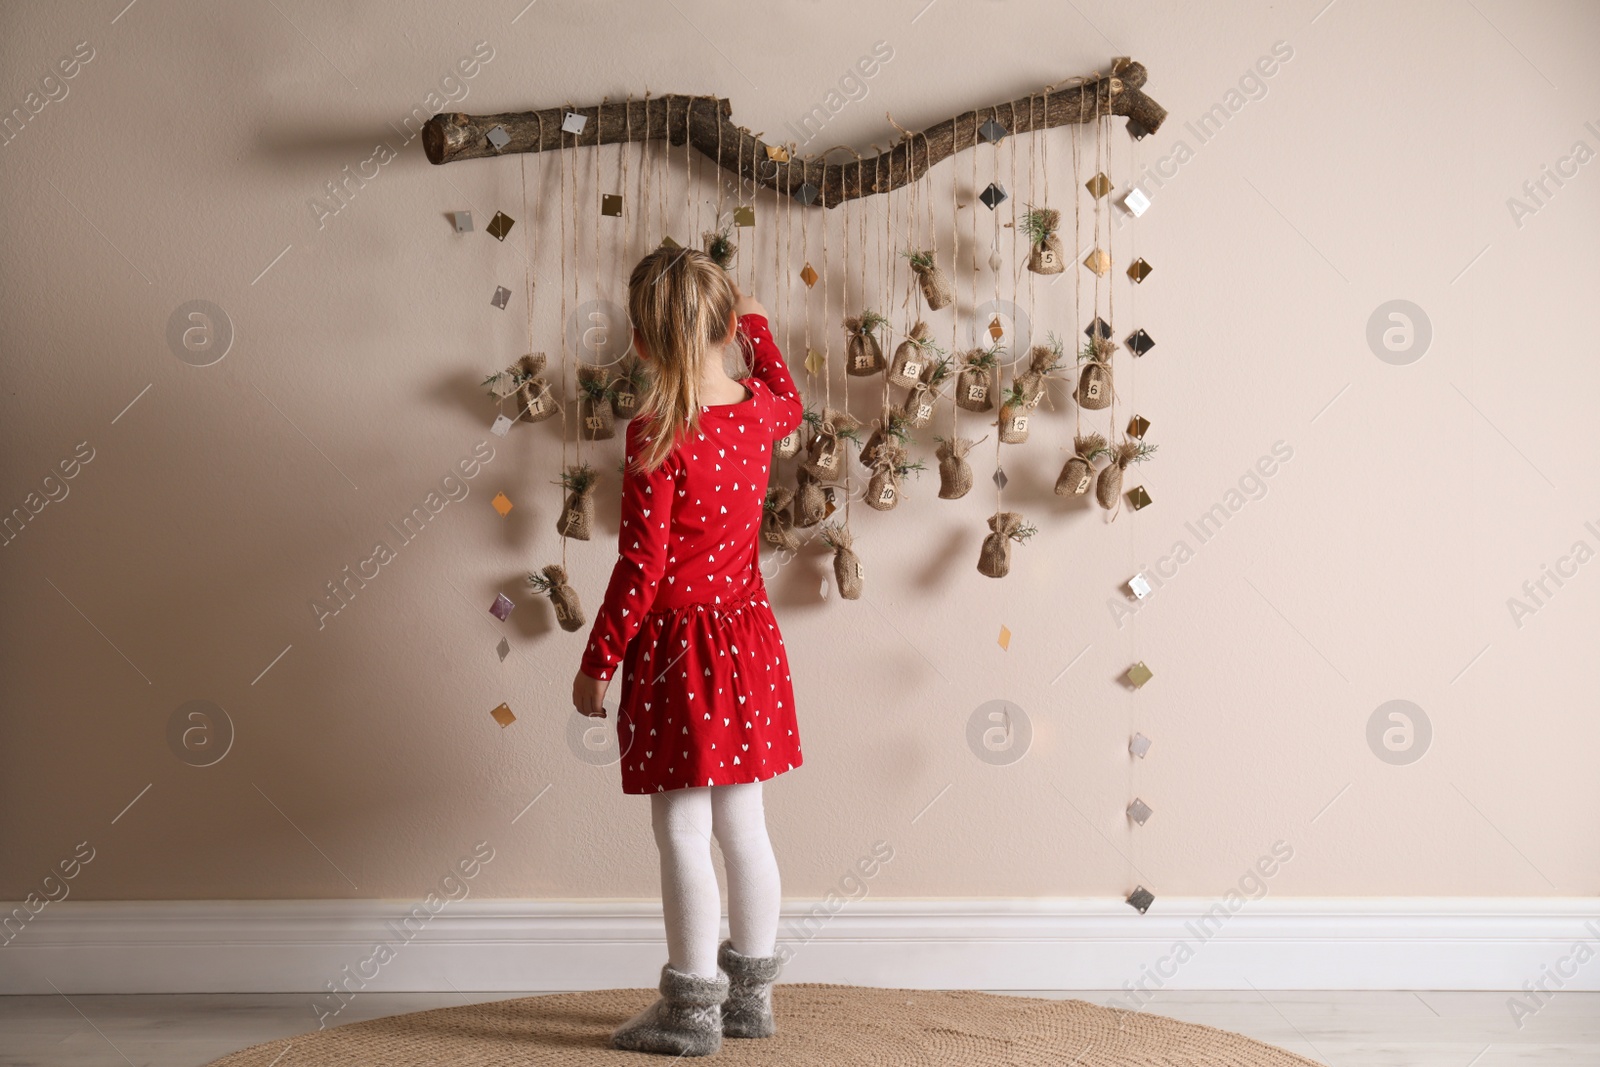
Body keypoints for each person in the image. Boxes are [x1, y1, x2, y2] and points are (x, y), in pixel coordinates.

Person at [570, 246, 805, 1057]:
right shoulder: (759, 412)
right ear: (725, 325)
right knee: (745, 823)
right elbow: (791, 395)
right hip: (746, 642)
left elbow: (641, 571)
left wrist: (599, 659)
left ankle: (691, 1008)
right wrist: (762, 326)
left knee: (681, 830)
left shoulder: (656, 436)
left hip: (677, 652)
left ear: (641, 344)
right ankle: (750, 1001)